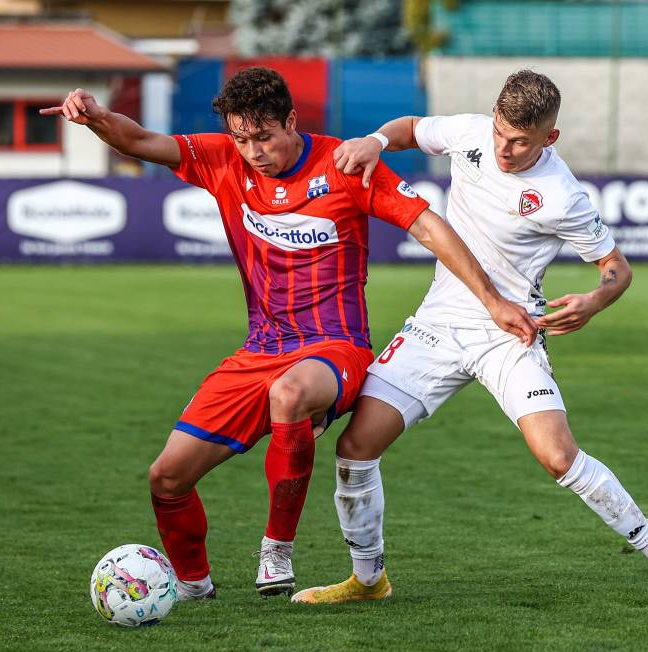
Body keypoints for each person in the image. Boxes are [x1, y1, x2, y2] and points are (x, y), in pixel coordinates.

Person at [41, 67, 536, 599]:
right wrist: (95, 118)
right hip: (261, 349)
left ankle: (276, 549)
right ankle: (190, 584)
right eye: (241, 137)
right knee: (167, 477)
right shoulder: (223, 159)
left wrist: (492, 300)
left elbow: (427, 225)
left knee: (291, 393)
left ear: (291, 121)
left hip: (336, 348)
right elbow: (138, 140)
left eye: (263, 136)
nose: (252, 150)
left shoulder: (345, 164)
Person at [292, 70, 648, 607]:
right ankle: (368, 580)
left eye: (520, 140)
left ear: (550, 137)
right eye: (500, 132)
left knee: (559, 457)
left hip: (510, 334)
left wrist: (595, 299)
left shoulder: (562, 196)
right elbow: (408, 128)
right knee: (356, 448)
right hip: (438, 324)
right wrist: (375, 141)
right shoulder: (470, 132)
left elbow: (616, 267)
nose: (504, 148)